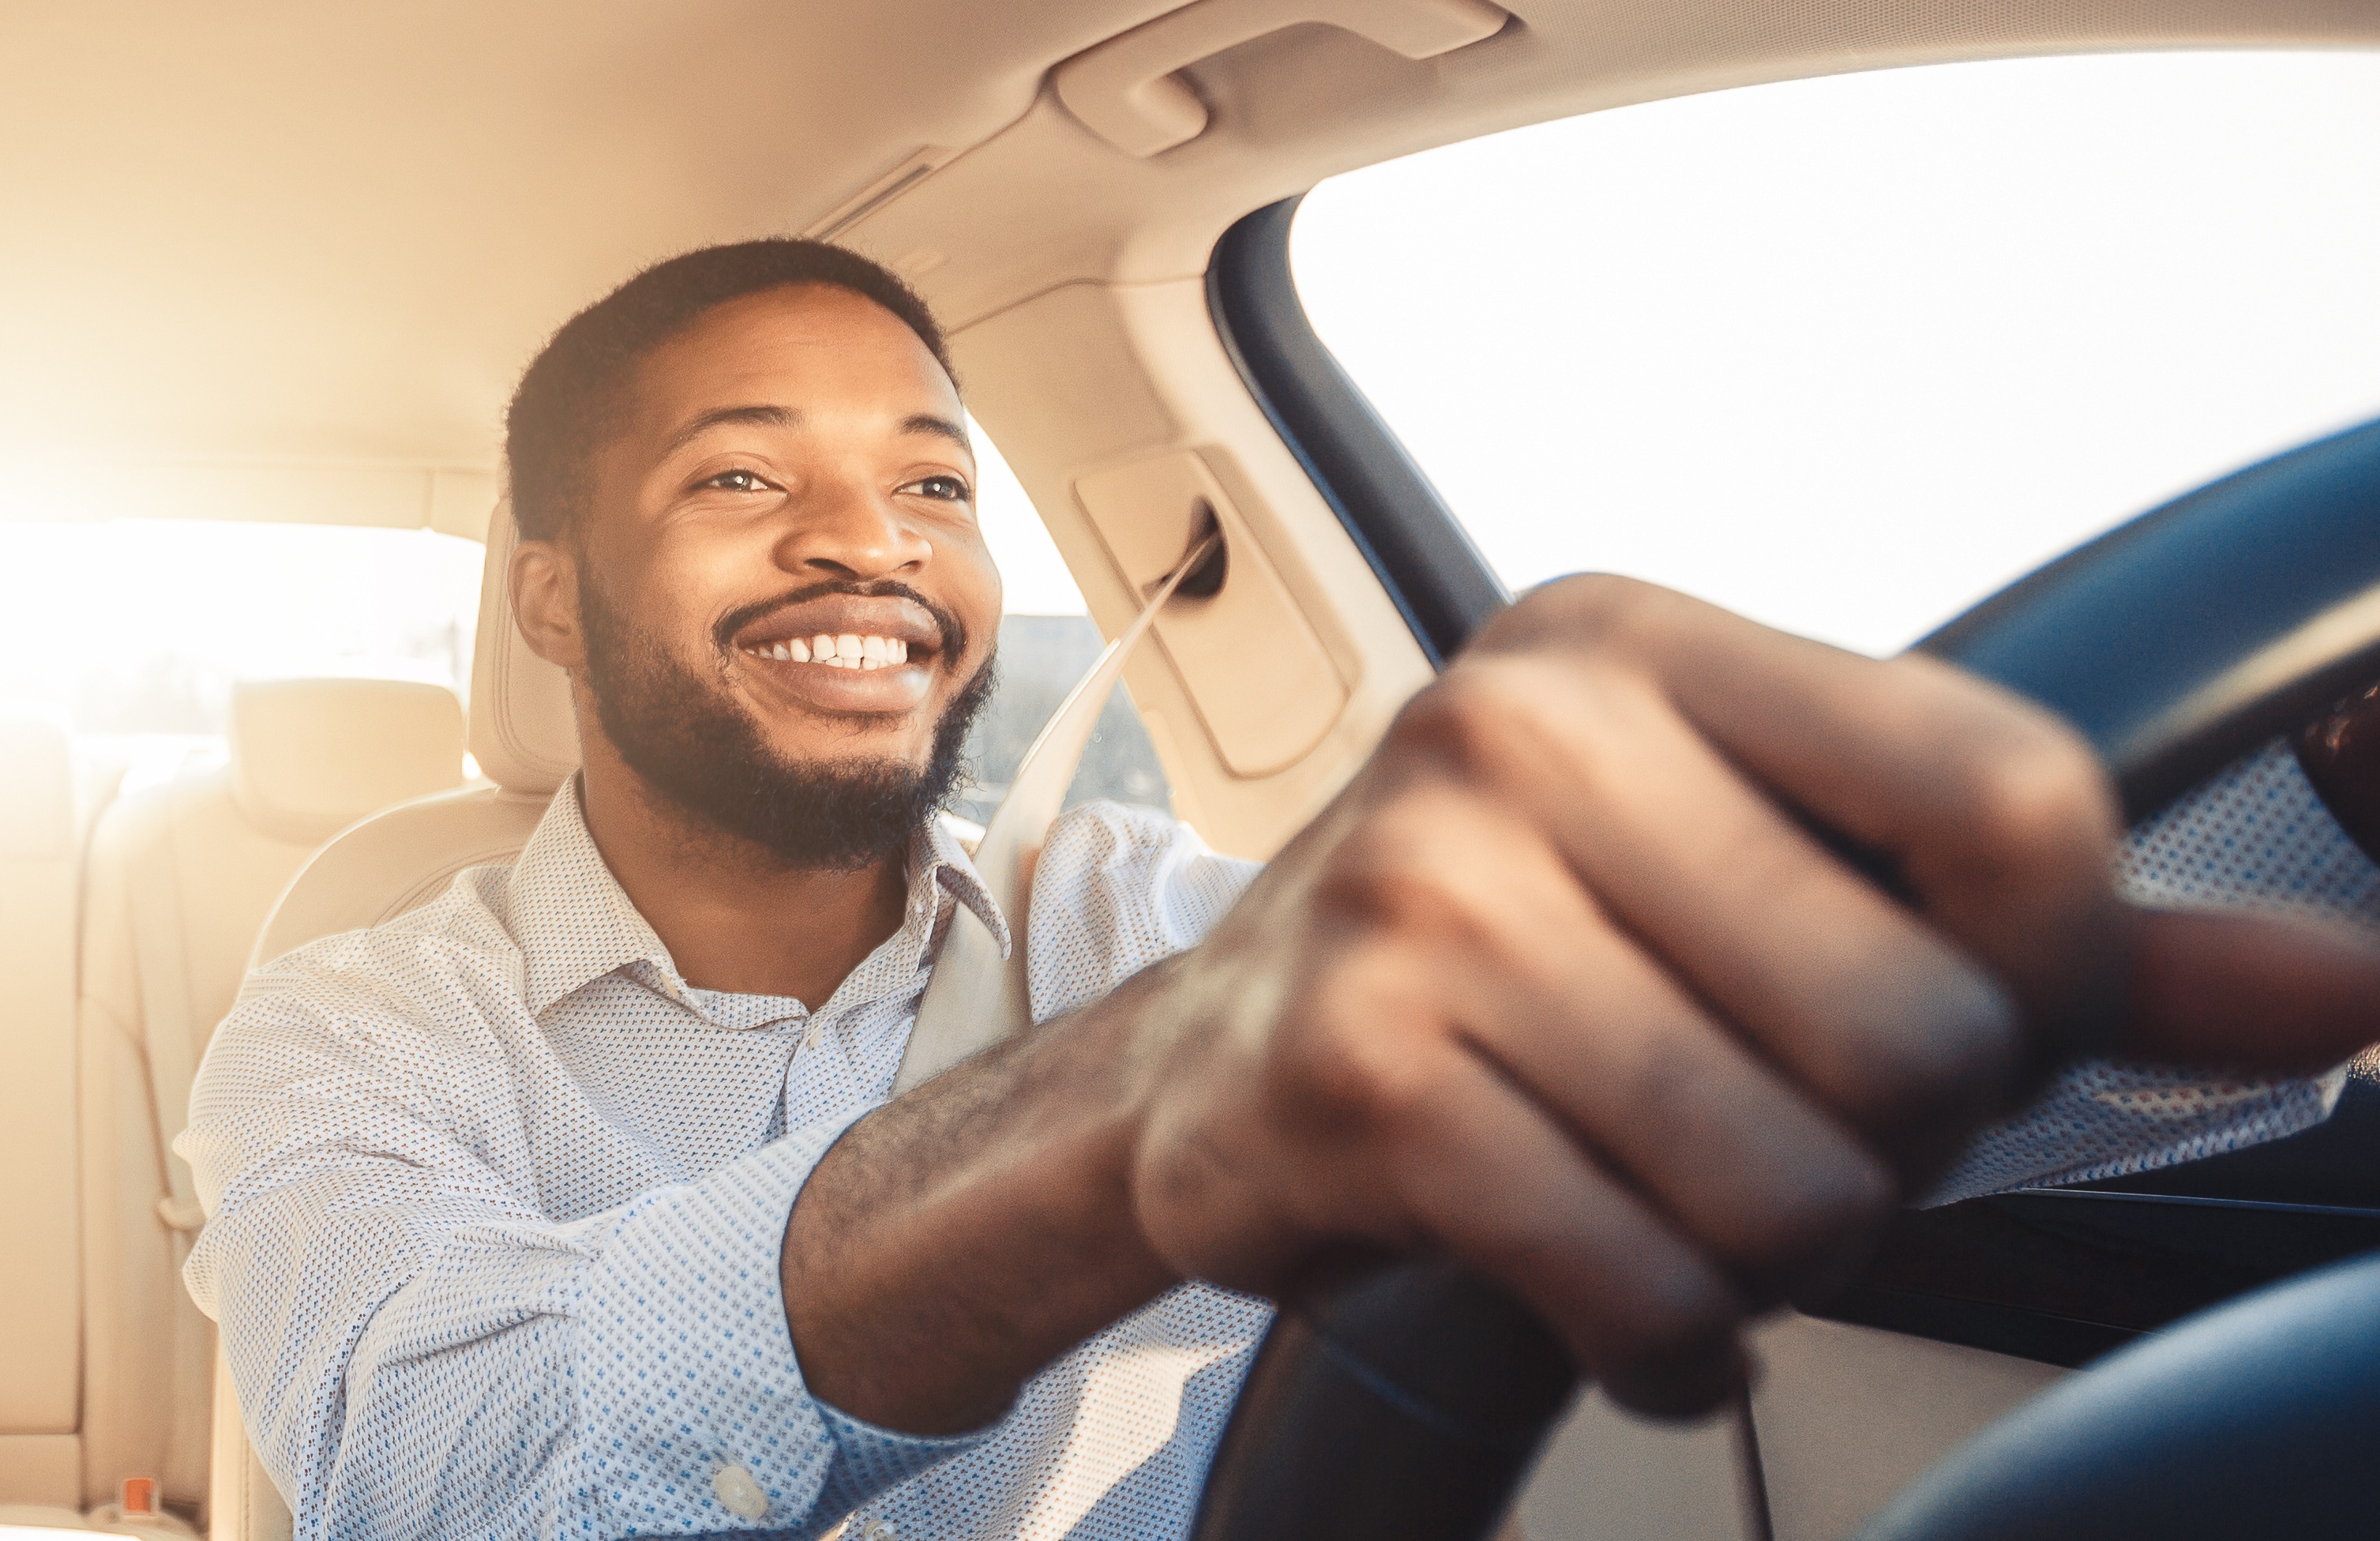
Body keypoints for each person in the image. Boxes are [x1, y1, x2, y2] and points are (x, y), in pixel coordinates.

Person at [177, 239, 2380, 1539]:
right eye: (742, 477)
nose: (870, 544)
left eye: (934, 484)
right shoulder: (348, 1024)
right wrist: (1109, 1124)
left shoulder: (1146, 911)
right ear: (553, 601)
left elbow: (1795, 1036)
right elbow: (443, 1475)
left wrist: (2327, 794)